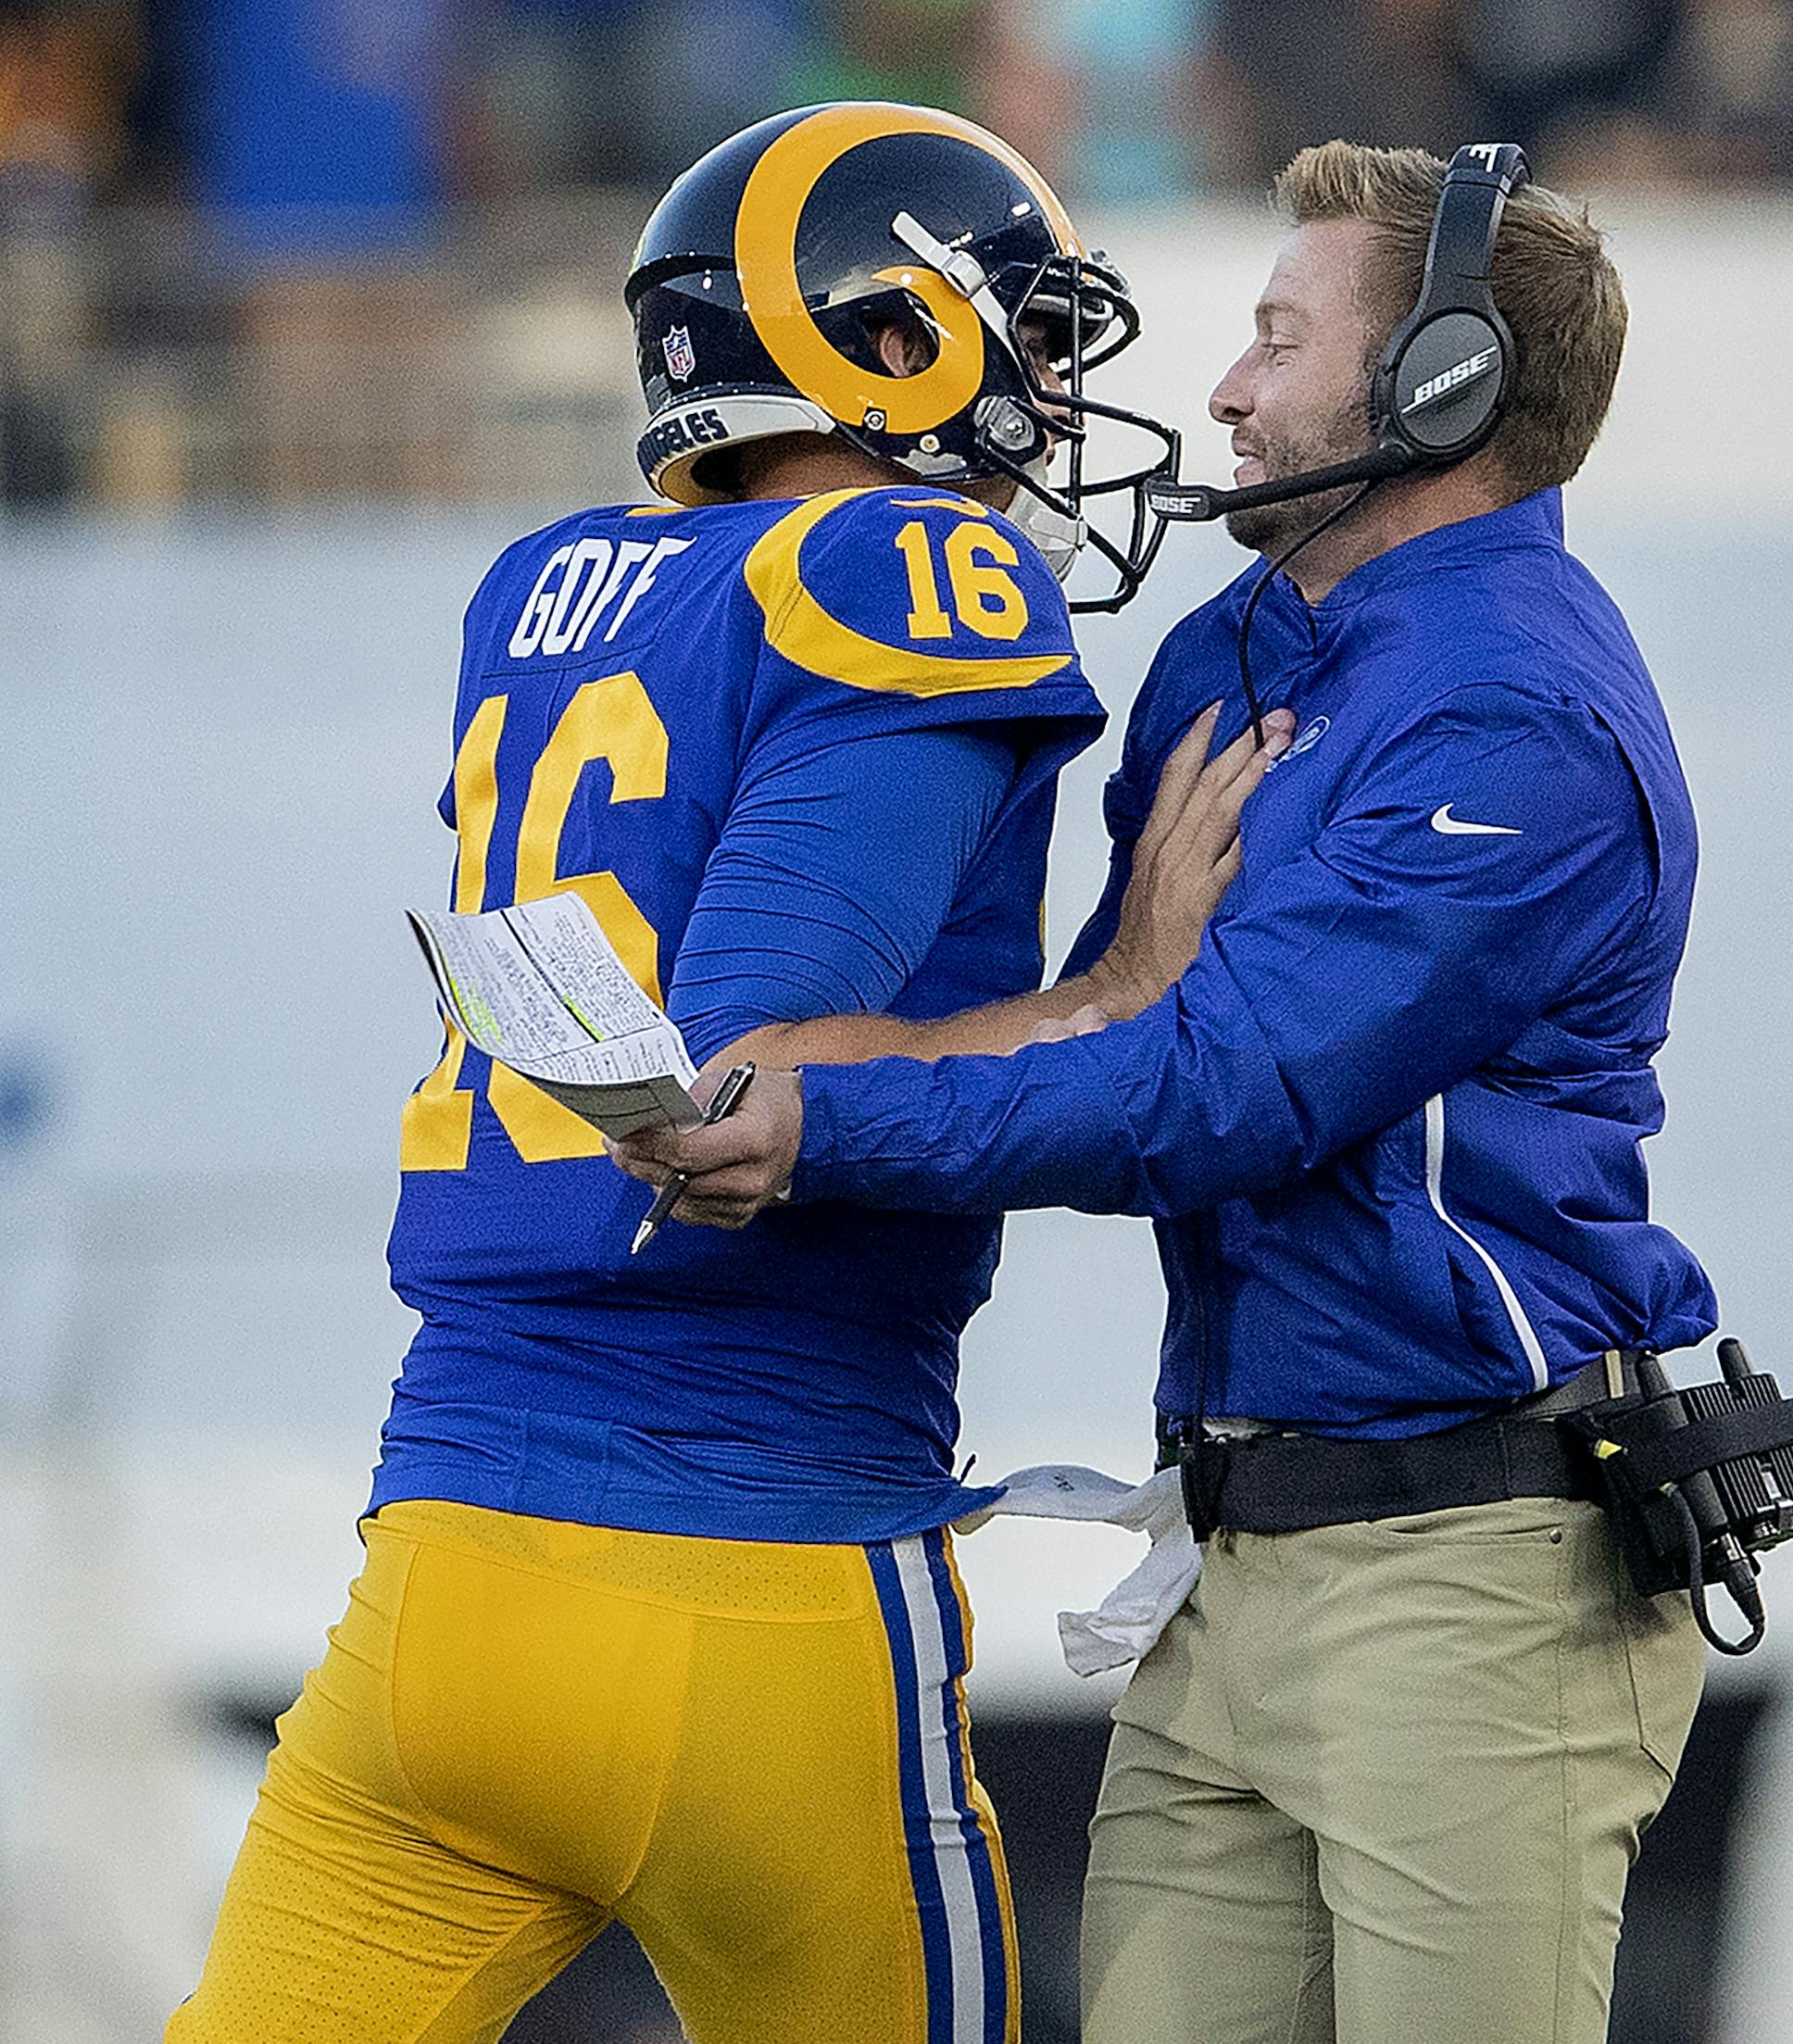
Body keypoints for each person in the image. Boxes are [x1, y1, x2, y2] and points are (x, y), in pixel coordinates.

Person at [166, 101, 1280, 2044]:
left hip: (438, 1576)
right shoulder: (915, 567)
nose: (1043, 392)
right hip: (743, 1566)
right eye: (1017, 330)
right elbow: (738, 1077)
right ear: (888, 333)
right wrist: (1125, 986)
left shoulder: (550, 581)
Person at [613, 138, 1720, 2044]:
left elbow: (1216, 1091)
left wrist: (819, 1118)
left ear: (1442, 384)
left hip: (1471, 1561)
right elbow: (1123, 1027)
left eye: (1279, 336)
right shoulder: (1230, 654)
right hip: (1239, 1535)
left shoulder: (1512, 715)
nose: (1223, 389)